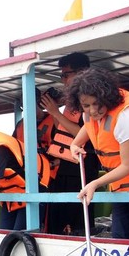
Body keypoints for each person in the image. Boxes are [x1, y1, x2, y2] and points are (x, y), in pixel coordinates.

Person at [68, 67, 129, 239]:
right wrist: (74, 144)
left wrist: (94, 184)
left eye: (97, 103)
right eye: (86, 105)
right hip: (120, 183)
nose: (93, 110)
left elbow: (128, 165)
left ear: (107, 97)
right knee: (121, 237)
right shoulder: (89, 113)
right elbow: (88, 127)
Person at [39, 52, 100, 235]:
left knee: (77, 215)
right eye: (62, 75)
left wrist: (55, 113)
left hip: (83, 164)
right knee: (58, 213)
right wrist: (56, 111)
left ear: (81, 72)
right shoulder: (71, 101)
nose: (63, 79)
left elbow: (86, 133)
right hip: (66, 165)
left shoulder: (92, 99)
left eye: (66, 74)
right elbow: (63, 131)